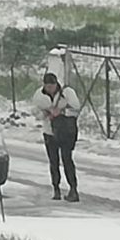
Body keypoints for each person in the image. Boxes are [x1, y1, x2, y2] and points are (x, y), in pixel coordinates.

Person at [31, 72, 81, 202]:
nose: (50, 89)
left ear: (56, 84)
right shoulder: (39, 95)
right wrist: (46, 113)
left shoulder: (67, 93)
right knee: (53, 162)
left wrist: (61, 112)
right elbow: (35, 111)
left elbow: (76, 108)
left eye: (52, 86)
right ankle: (56, 189)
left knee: (67, 159)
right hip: (50, 132)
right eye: (47, 86)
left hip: (66, 132)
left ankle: (73, 189)